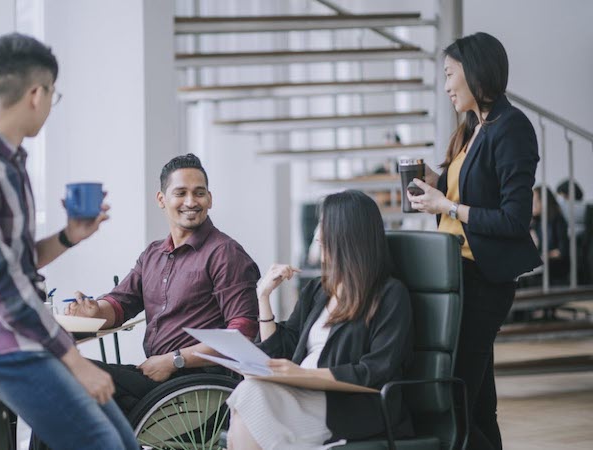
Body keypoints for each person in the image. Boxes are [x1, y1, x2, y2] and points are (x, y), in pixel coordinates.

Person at [0, 33, 138, 450]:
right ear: (37, 94)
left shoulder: (11, 164)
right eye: (53, 96)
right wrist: (76, 361)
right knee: (104, 444)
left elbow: (17, 263)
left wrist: (68, 237)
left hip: (21, 334)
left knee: (123, 442)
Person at [407, 32, 541, 450]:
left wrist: (446, 206)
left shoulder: (512, 127)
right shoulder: (473, 128)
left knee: (458, 387)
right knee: (475, 394)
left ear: (475, 72)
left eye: (450, 74)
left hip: (482, 278)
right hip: (455, 273)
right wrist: (436, 181)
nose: (446, 85)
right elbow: (465, 189)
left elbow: (515, 220)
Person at [66, 153, 261, 415]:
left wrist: (175, 360)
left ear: (209, 199)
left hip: (195, 384)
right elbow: (121, 302)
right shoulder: (153, 255)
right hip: (156, 378)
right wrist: (95, 311)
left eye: (199, 193)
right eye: (180, 192)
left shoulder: (225, 253)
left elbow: (243, 335)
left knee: (69, 371)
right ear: (162, 199)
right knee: (63, 376)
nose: (191, 202)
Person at [227, 190, 414, 449]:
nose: (316, 235)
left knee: (249, 401)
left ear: (348, 235)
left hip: (347, 405)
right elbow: (283, 350)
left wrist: (304, 374)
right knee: (249, 392)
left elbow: (376, 370)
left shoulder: (390, 295)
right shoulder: (317, 290)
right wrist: (263, 297)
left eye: (324, 226)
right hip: (300, 393)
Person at [531, 186, 570, 284]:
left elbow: (562, 251)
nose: (532, 205)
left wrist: (543, 256)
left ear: (544, 202)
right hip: (542, 265)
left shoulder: (558, 220)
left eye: (535, 201)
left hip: (556, 267)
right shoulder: (536, 223)